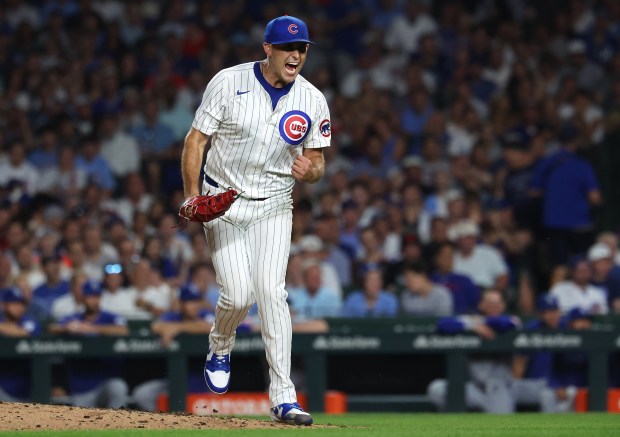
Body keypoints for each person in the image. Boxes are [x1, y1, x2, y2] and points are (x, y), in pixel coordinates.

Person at [180, 15, 330, 426]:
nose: (296, 55)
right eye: (287, 47)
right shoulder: (228, 82)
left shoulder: (313, 99)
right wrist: (193, 195)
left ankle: (283, 397)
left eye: (301, 49)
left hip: (275, 204)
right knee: (238, 296)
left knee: (271, 293)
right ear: (268, 48)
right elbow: (196, 139)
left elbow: (318, 160)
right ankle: (221, 340)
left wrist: (311, 170)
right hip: (223, 200)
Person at [427, 289, 521, 413]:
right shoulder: (471, 322)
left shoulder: (513, 320)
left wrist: (479, 322)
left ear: (503, 305)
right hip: (474, 389)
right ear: (480, 305)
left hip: (499, 389)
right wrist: (472, 326)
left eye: (497, 303)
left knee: (501, 429)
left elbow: (505, 324)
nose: (493, 307)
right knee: (436, 389)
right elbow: (442, 324)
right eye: (489, 303)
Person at [47, 281, 129, 408]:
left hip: (105, 381)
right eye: (90, 296)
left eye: (97, 296)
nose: (94, 301)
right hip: (82, 386)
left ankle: (117, 427)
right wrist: (69, 327)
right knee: (81, 423)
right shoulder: (75, 318)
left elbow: (123, 330)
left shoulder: (110, 317)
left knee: (118, 386)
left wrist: (93, 328)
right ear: (83, 298)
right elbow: (52, 328)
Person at [0, 287, 41, 402]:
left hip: (27, 385)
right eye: (14, 303)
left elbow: (24, 333)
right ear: (4, 305)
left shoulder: (29, 321)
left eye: (21, 303)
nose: (19, 307)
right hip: (3, 382)